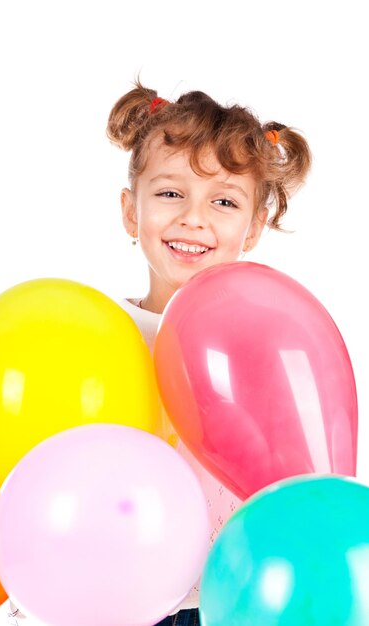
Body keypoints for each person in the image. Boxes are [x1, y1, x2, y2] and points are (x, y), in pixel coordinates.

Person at [107, 78, 312, 626]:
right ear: (132, 211)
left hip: (229, 601)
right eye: (170, 192)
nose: (192, 218)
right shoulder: (104, 334)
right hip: (116, 597)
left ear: (253, 229)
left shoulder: (272, 342)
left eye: (223, 201)